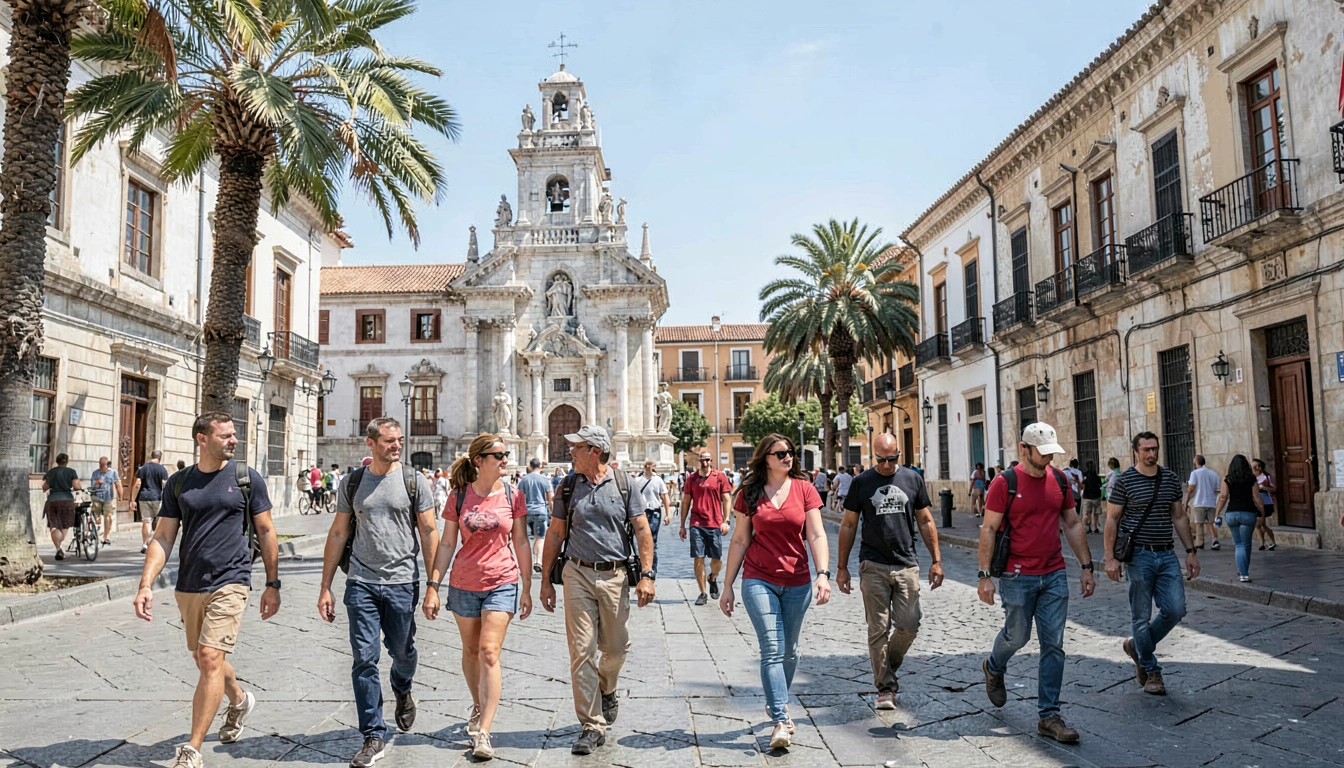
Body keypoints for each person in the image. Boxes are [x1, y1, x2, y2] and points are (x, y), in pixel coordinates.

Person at [133, 412, 279, 768]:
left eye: (234, 435)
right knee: (205, 658)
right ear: (202, 439)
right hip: (189, 583)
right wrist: (145, 584)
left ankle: (192, 749)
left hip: (232, 578)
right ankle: (240, 700)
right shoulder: (180, 482)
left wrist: (272, 584)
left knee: (211, 658)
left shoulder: (246, 478)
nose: (234, 440)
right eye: (226, 436)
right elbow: (164, 536)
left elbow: (266, 532)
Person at [317, 417, 438, 768]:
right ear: (370, 444)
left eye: (399, 439)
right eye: (388, 440)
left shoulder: (415, 481)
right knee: (364, 658)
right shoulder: (353, 482)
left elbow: (429, 531)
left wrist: (432, 585)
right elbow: (339, 533)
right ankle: (373, 734)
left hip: (402, 582)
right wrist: (325, 586)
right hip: (361, 583)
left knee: (403, 652)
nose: (396, 445)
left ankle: (402, 688)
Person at [538, 425, 656, 755]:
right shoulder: (567, 486)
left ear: (595, 451)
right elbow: (555, 533)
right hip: (576, 572)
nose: (569, 452)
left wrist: (647, 574)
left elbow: (643, 531)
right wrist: (546, 579)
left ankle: (608, 688)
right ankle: (591, 724)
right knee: (581, 650)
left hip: (616, 575)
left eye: (576, 447)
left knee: (617, 647)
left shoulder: (623, 484)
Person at [977, 423, 1095, 744]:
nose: (1046, 461)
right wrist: (985, 576)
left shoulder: (1059, 479)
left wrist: (1086, 566)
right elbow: (988, 529)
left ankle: (1049, 716)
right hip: (1017, 575)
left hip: (1054, 572)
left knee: (1054, 645)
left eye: (1050, 455)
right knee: (1017, 637)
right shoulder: (1005, 483)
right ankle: (994, 665)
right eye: (1041, 454)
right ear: (1024, 449)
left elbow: (1071, 523)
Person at [719, 434, 830, 751]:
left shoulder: (804, 489)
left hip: (797, 581)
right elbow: (740, 540)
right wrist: (727, 585)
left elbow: (817, 533)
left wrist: (822, 574)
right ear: (765, 458)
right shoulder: (749, 494)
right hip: (758, 578)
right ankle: (780, 719)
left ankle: (776, 698)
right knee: (772, 647)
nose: (788, 457)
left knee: (790, 651)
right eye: (780, 453)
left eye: (790, 452)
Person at [427, 434, 531, 760]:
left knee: (488, 651)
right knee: (471, 650)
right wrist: (433, 585)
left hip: (502, 580)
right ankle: (478, 704)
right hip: (463, 582)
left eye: (506, 454)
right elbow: (446, 544)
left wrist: (528, 586)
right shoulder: (458, 497)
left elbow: (522, 542)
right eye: (498, 454)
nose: (504, 459)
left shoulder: (514, 495)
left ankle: (484, 731)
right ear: (479, 460)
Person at [837, 433, 941, 711]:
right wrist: (842, 568)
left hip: (906, 563)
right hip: (872, 565)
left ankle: (888, 666)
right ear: (874, 456)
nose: (886, 464)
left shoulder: (912, 479)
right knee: (878, 629)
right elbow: (848, 525)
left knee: (909, 624)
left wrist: (936, 560)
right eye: (881, 460)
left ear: (898, 455)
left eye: (891, 459)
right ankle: (885, 687)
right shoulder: (861, 483)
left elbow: (925, 520)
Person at [1104, 431, 1198, 697]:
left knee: (1175, 609)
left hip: (1166, 554)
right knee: (1141, 615)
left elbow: (1178, 516)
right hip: (1139, 556)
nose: (1151, 453)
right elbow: (1112, 519)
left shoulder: (1168, 478)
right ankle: (1151, 668)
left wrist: (1191, 551)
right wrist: (1110, 558)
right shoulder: (1125, 481)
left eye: (1154, 449)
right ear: (1136, 451)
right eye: (1146, 449)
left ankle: (1138, 647)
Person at [680, 450, 733, 606]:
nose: (704, 463)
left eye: (707, 460)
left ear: (711, 461)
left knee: (717, 560)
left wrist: (727, 520)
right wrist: (683, 525)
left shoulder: (720, 477)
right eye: (702, 460)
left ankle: (712, 577)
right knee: (698, 558)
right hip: (697, 523)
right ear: (699, 461)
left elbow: (727, 500)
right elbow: (686, 502)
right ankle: (703, 592)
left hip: (715, 523)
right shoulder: (692, 479)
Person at [1214, 455, 1264, 583]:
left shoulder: (1227, 479)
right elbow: (1256, 497)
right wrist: (1262, 512)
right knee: (1246, 544)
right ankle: (1244, 572)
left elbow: (1223, 496)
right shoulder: (1251, 479)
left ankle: (1242, 570)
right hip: (1248, 512)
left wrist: (1217, 513)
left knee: (1239, 544)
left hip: (1232, 513)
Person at [517, 458, 554, 574]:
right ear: (540, 466)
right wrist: (552, 513)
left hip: (526, 512)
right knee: (540, 537)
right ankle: (538, 560)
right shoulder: (544, 480)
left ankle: (526, 563)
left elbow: (519, 497)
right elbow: (550, 499)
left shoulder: (523, 480)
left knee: (525, 539)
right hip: (540, 511)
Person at [42, 453, 82, 559]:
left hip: (52, 500)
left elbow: (45, 487)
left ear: (57, 461)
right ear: (67, 461)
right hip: (67, 500)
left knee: (54, 525)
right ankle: (60, 544)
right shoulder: (71, 472)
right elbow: (76, 486)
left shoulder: (51, 472)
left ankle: (58, 548)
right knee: (64, 525)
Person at [130, 450, 170, 554]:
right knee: (159, 521)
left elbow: (138, 483)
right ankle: (155, 543)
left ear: (151, 456)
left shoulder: (143, 468)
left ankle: (144, 544)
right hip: (157, 498)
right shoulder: (162, 469)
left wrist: (132, 499)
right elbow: (165, 485)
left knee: (146, 521)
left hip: (144, 497)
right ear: (160, 458)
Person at [637, 461, 671, 575]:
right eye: (647, 466)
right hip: (642, 512)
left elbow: (665, 497)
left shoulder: (658, 480)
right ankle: (644, 565)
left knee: (652, 539)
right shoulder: (639, 480)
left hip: (654, 512)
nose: (648, 468)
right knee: (642, 539)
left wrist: (667, 514)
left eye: (651, 466)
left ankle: (652, 568)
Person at [1185, 455, 1221, 550]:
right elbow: (1217, 489)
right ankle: (1214, 539)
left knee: (1199, 523)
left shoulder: (1195, 473)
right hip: (1211, 501)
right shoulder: (1213, 474)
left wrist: (1186, 501)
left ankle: (1199, 542)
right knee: (1210, 522)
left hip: (1200, 501)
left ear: (1196, 461)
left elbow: (1191, 488)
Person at [90, 456, 122, 546]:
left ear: (107, 465)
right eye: (100, 464)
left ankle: (106, 537)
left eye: (103, 464)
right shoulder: (95, 473)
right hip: (97, 497)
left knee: (108, 516)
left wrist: (120, 497)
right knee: (95, 517)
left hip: (108, 498)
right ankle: (94, 533)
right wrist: (96, 484)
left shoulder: (113, 473)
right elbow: (92, 487)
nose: (101, 466)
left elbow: (118, 485)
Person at [1251, 459, 1278, 551]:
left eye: (1255, 467)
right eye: (1252, 467)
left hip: (1266, 503)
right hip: (1256, 503)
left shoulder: (1266, 477)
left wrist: (1264, 487)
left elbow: (1274, 489)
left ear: (1260, 467)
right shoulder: (1252, 478)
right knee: (1259, 524)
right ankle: (1262, 543)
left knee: (1260, 523)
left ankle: (1271, 541)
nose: (1253, 469)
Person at [1080, 461, 1103, 534]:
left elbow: (1082, 486)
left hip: (1087, 497)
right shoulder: (1097, 477)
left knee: (1086, 513)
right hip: (1096, 496)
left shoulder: (1085, 477)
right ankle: (1095, 528)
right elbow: (1100, 485)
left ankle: (1085, 528)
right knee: (1095, 513)